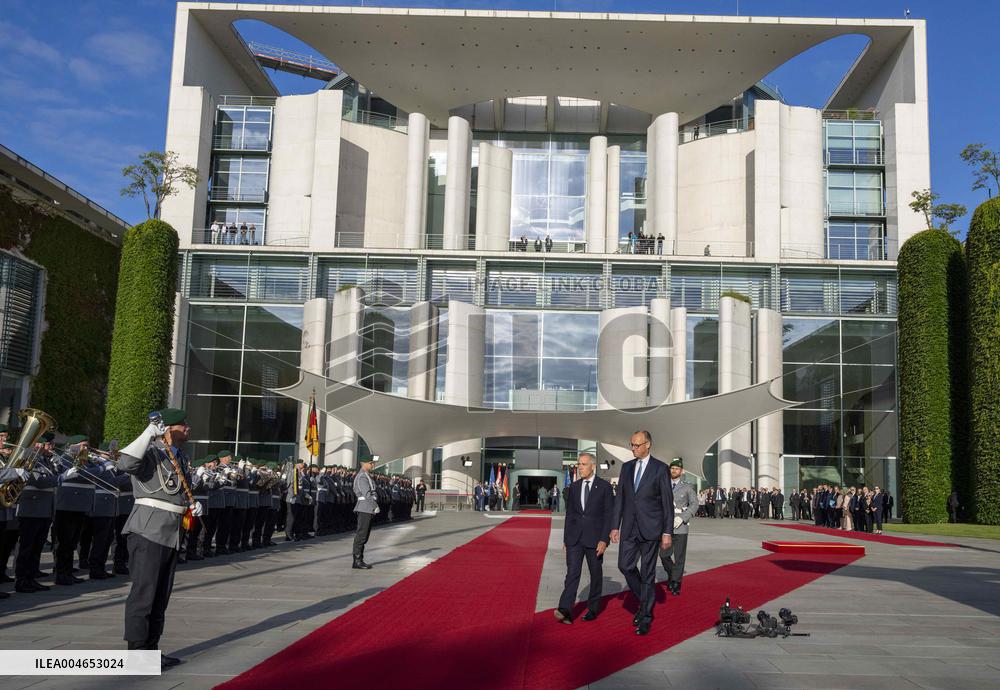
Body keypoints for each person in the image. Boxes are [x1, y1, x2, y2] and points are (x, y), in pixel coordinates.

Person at [118, 408, 203, 671]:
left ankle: (151, 650)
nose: (187, 429)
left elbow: (177, 491)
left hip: (171, 532)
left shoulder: (179, 456)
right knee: (144, 593)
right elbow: (125, 464)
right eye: (182, 425)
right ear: (168, 429)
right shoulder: (152, 452)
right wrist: (148, 433)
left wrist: (191, 505)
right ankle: (136, 654)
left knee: (160, 596)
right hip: (149, 530)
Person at [609, 430, 673, 636]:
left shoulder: (660, 469)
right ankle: (644, 600)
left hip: (651, 528)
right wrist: (614, 526)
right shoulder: (627, 467)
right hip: (629, 527)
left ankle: (645, 616)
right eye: (632, 444)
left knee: (648, 573)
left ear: (648, 445)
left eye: (636, 445)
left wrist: (667, 532)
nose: (633, 448)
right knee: (625, 566)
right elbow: (620, 498)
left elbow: (667, 504)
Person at [555, 453, 613, 624]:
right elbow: (570, 514)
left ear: (593, 466)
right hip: (574, 539)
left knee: (595, 574)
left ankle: (593, 609)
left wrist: (604, 540)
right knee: (572, 573)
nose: (579, 467)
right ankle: (565, 609)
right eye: (578, 464)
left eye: (583, 464)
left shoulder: (604, 487)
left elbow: (608, 515)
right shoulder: (574, 487)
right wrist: (566, 539)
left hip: (595, 540)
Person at [660, 458, 696, 596]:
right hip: (665, 526)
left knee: (679, 556)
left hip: (680, 525)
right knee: (663, 555)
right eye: (672, 468)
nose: (674, 471)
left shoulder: (687, 487)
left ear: (681, 471)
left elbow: (694, 504)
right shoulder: (663, 485)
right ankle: (673, 574)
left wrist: (683, 517)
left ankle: (676, 582)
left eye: (677, 469)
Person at [352, 457, 379, 569]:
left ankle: (360, 559)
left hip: (367, 508)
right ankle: (357, 560)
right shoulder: (362, 477)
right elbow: (367, 494)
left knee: (365, 535)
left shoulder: (366, 475)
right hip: (364, 507)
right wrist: (375, 505)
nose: (373, 465)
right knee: (361, 535)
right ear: (364, 463)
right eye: (371, 463)